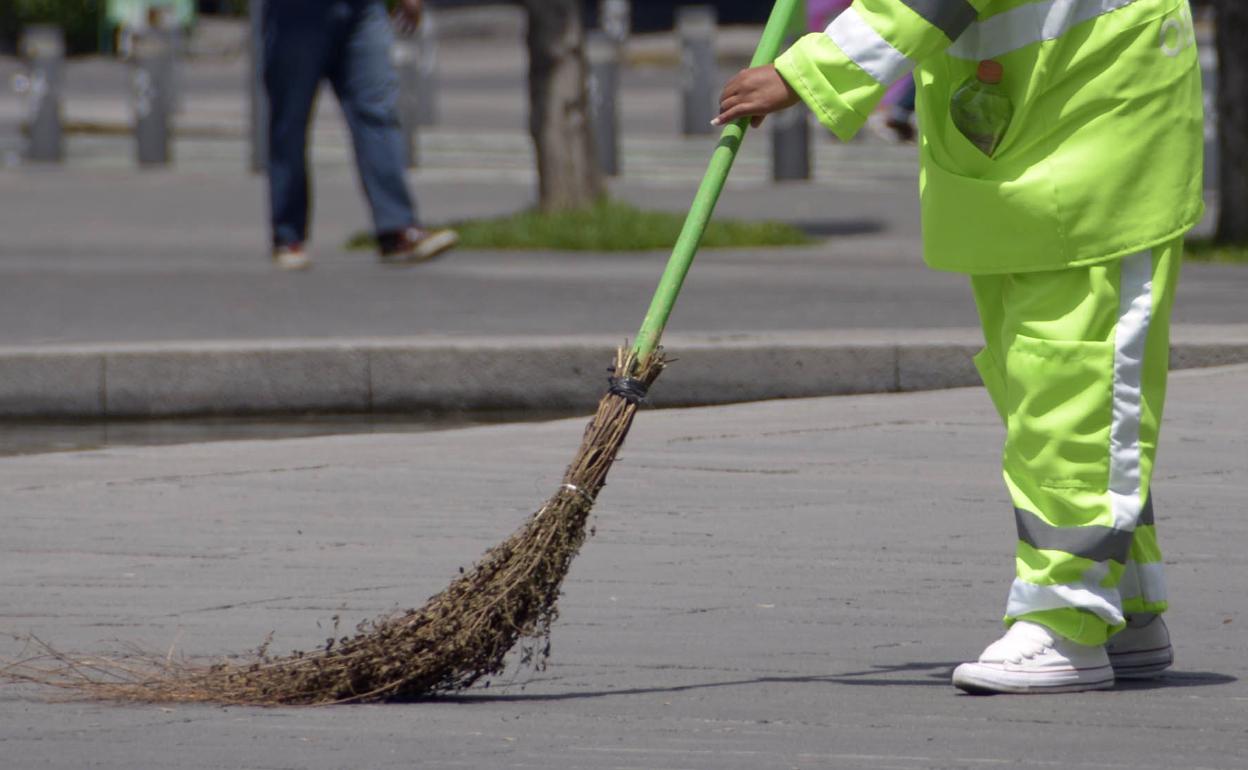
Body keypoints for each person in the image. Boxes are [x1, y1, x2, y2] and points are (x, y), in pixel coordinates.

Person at [714, 0, 1203, 693]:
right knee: (1053, 394)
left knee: (1072, 389)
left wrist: (808, 72)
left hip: (1097, 141)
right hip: (1037, 138)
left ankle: (1067, 619)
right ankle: (1122, 607)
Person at [263, 0, 457, 270]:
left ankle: (397, 229)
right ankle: (288, 236)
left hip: (363, 10)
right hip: (297, 12)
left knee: (378, 114)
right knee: (291, 123)